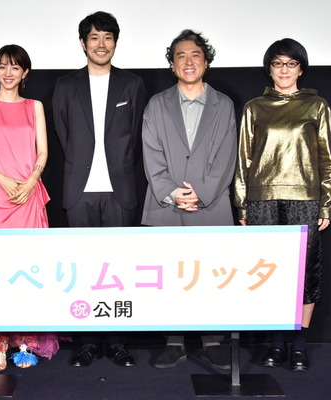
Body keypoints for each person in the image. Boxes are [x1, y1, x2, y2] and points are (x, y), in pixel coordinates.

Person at [233, 38, 331, 372]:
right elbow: (243, 161)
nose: (284, 70)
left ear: (301, 69)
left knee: (305, 271)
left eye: (291, 64)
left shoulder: (317, 106)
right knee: (270, 271)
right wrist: (242, 206)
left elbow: (328, 159)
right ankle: (276, 344)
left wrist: (327, 204)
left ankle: (300, 345)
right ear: (269, 69)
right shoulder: (254, 107)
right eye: (278, 63)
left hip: (305, 199)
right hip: (261, 200)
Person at [52, 11, 147, 368]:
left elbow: (136, 136)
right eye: (94, 37)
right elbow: (63, 133)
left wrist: (119, 166)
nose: (101, 44)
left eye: (108, 37)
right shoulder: (66, 85)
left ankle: (119, 343)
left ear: (115, 43)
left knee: (119, 270)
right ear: (83, 43)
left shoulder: (132, 84)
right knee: (84, 269)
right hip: (79, 190)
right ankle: (88, 343)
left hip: (120, 189)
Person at [141, 29, 236, 370]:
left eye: (195, 55)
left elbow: (227, 155)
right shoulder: (157, 104)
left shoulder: (224, 104)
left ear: (206, 62)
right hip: (165, 206)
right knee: (168, 277)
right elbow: (151, 152)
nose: (188, 61)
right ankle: (173, 340)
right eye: (180, 56)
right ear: (172, 65)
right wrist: (172, 192)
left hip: (211, 205)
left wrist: (203, 192)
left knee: (213, 276)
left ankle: (213, 341)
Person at [0, 44, 59, 371]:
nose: (8, 73)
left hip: (27, 196)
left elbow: (43, 151)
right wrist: (2, 180)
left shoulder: (35, 107)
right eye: (3, 66)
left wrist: (32, 181)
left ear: (25, 73)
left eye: (15, 67)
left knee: (28, 269)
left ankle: (25, 342)